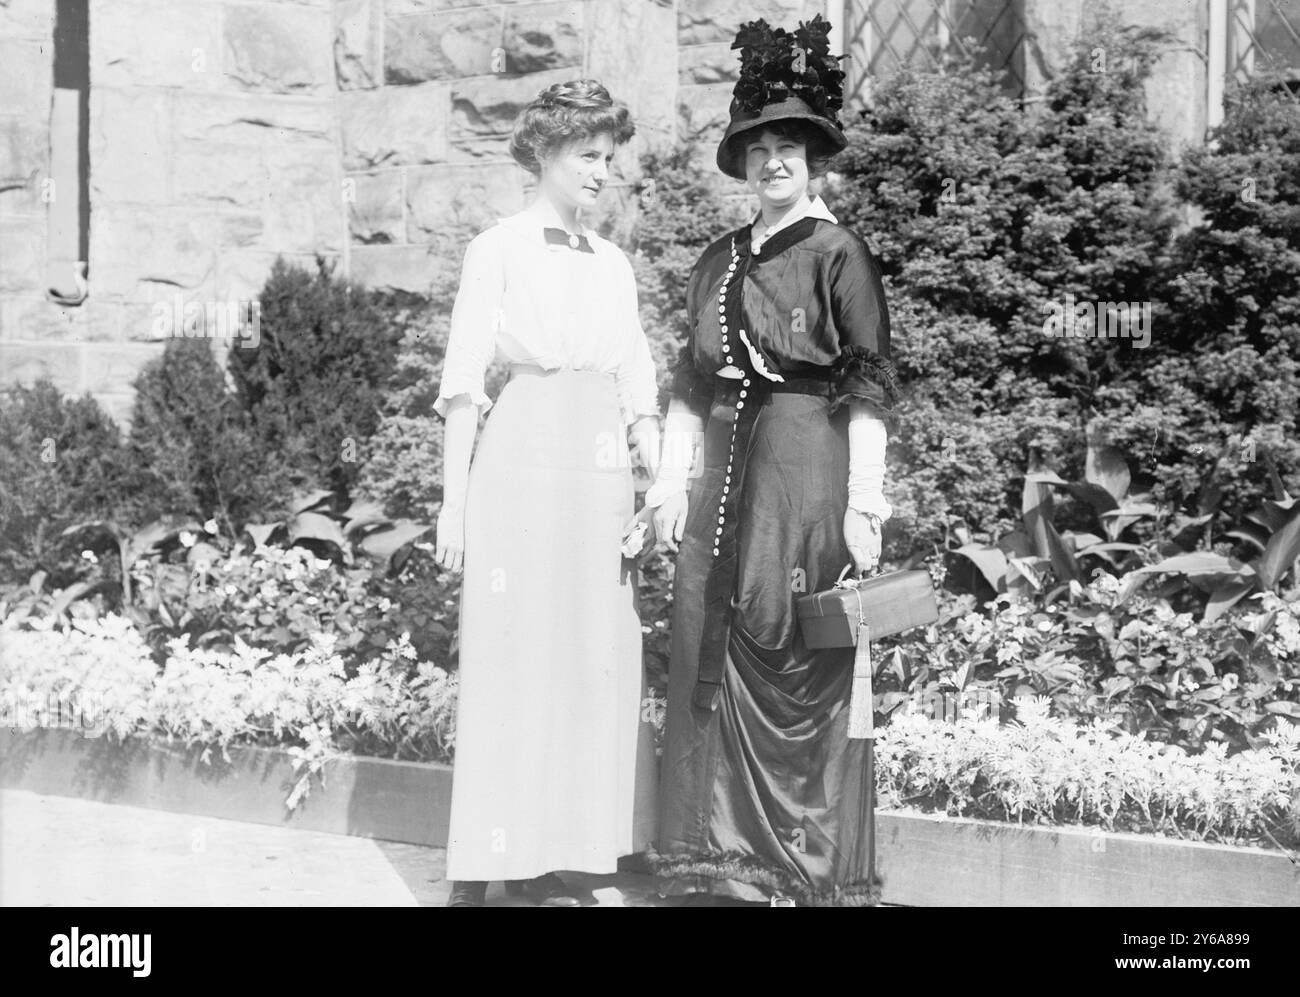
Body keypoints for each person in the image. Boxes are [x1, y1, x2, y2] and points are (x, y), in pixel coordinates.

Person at [634, 15, 900, 906]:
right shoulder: (717, 259)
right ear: (743, 163)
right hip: (717, 469)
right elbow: (686, 380)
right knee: (703, 632)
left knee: (782, 637)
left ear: (813, 161)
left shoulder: (840, 255)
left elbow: (867, 386)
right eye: (758, 149)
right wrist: (669, 482)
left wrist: (866, 504)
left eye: (789, 147)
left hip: (802, 465)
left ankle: (791, 868)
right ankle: (711, 864)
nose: (773, 163)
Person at [434, 79, 661, 907]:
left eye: (611, 158)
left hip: (598, 471)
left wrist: (653, 487)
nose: (604, 172)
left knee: (595, 656)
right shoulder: (497, 247)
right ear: (544, 155)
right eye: (588, 156)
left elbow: (638, 380)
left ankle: (582, 850)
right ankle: (491, 858)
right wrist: (453, 504)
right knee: (513, 653)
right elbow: (463, 382)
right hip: (520, 461)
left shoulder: (615, 263)